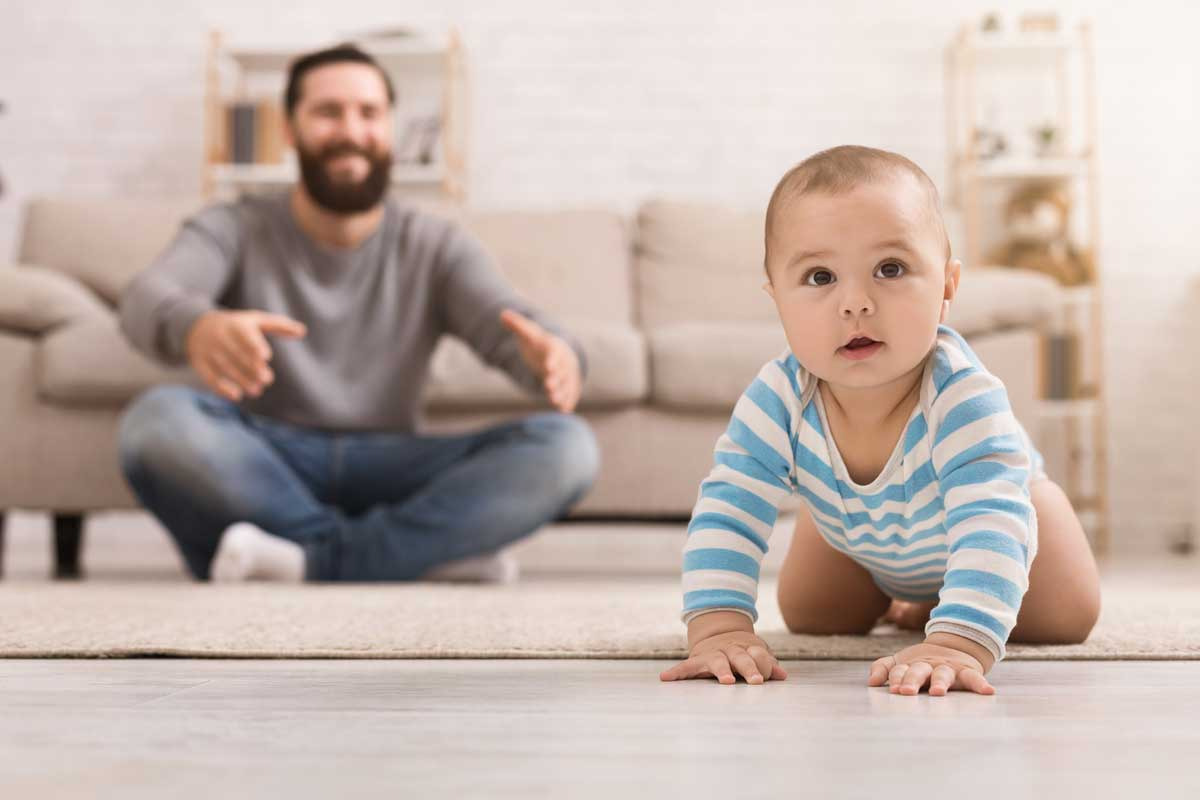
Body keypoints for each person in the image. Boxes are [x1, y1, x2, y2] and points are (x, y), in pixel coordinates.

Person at [117, 44, 598, 583]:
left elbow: (513, 324)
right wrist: (195, 326)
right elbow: (145, 296)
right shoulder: (234, 227)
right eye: (328, 112)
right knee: (155, 423)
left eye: (369, 113)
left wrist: (559, 355)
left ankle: (303, 559)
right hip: (269, 461)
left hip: (393, 462)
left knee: (567, 448)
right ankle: (413, 557)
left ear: (390, 129)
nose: (351, 130)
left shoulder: (434, 244)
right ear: (291, 130)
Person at [660, 145, 1100, 695]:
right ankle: (906, 588)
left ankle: (947, 602)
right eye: (820, 277)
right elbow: (728, 510)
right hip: (860, 532)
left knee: (1063, 620)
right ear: (778, 302)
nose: (856, 303)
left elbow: (990, 516)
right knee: (814, 617)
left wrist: (957, 642)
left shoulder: (962, 395)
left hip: (999, 521)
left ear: (945, 287)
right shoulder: (778, 398)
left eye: (890, 269)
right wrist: (717, 628)